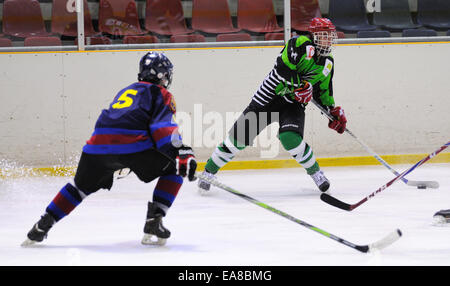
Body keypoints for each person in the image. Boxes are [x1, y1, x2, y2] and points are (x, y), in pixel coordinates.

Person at [22, 52, 197, 247]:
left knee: (79, 188)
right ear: (161, 75)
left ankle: (42, 225)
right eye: (166, 74)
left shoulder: (126, 90)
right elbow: (162, 129)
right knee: (175, 168)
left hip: (96, 147)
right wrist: (182, 152)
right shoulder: (161, 94)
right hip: (132, 147)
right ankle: (154, 220)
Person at [198, 18, 347, 194]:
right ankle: (208, 172)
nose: (329, 39)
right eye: (324, 35)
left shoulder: (328, 63)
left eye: (330, 36)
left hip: (293, 104)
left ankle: (316, 173)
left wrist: (331, 111)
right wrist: (301, 86)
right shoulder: (298, 43)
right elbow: (282, 68)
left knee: (290, 138)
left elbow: (323, 91)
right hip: (267, 98)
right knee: (238, 138)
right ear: (313, 36)